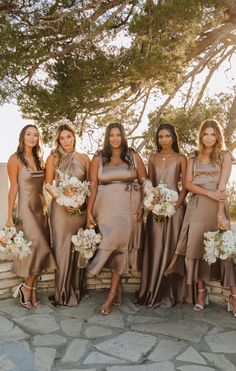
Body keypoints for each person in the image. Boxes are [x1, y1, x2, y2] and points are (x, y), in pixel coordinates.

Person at [168, 119, 236, 315]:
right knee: (198, 249)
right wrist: (208, 193)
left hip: (217, 206)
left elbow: (222, 187)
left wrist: (220, 214)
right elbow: (188, 184)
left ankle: (233, 297)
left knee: (224, 251)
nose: (209, 138)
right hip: (197, 207)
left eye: (212, 134)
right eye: (205, 134)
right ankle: (200, 293)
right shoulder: (193, 156)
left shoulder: (224, 156)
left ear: (218, 136)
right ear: (201, 136)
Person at [86, 122, 147, 315]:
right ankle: (118, 289)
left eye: (118, 135)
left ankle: (111, 295)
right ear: (107, 137)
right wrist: (88, 212)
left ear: (123, 136)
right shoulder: (99, 157)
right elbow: (93, 186)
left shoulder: (133, 155)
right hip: (103, 209)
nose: (114, 138)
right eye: (111, 135)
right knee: (109, 245)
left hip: (127, 209)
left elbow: (144, 182)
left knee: (119, 247)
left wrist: (142, 205)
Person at [136, 123, 188, 308]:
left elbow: (186, 186)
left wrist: (175, 205)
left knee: (171, 250)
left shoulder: (181, 158)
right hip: (155, 209)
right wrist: (150, 204)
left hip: (175, 210)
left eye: (167, 136)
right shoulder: (152, 157)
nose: (164, 139)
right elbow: (149, 185)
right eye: (160, 137)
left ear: (173, 137)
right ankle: (152, 290)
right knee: (155, 248)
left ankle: (169, 293)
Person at [7, 124, 56, 308]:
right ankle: (26, 288)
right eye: (28, 134)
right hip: (26, 210)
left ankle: (32, 292)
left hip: (41, 208)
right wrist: (10, 216)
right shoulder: (14, 159)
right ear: (22, 137)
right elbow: (14, 188)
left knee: (39, 250)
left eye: (35, 135)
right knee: (37, 247)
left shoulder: (40, 158)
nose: (32, 138)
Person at [45, 123, 90, 307]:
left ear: (74, 137)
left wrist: (81, 201)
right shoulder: (53, 158)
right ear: (58, 140)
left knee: (78, 248)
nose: (65, 141)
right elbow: (48, 184)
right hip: (60, 210)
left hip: (80, 209)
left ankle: (77, 290)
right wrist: (63, 200)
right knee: (62, 249)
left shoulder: (84, 158)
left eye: (68, 137)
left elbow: (89, 184)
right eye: (61, 138)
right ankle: (62, 293)